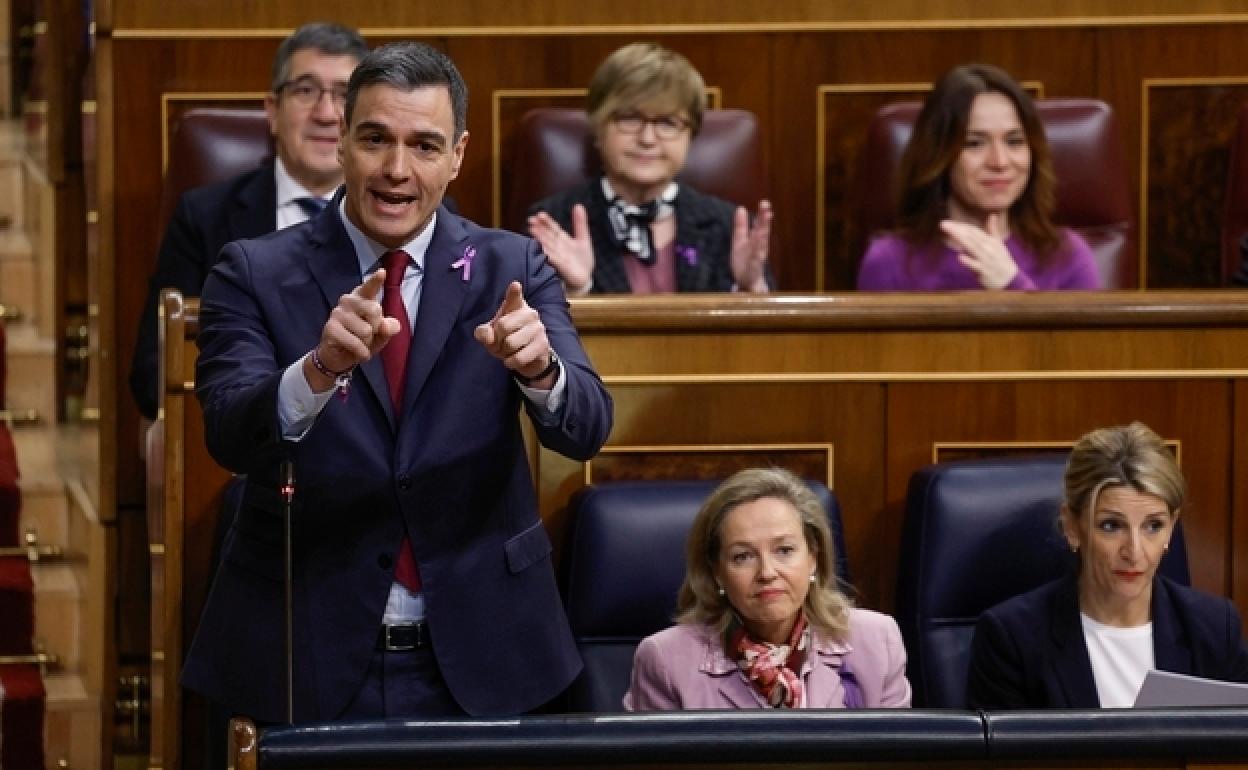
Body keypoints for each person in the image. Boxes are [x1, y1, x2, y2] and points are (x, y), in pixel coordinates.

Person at [181, 41, 614, 723]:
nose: (396, 170)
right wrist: (318, 369)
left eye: (425, 145)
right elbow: (230, 434)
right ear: (343, 142)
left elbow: (586, 427)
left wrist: (541, 369)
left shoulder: (512, 266)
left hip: (487, 650)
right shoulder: (252, 271)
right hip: (304, 649)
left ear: (458, 155)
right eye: (375, 139)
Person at [129, 22, 368, 420]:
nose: (326, 114)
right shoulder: (204, 217)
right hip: (251, 435)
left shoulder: (410, 216)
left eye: (344, 95)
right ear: (272, 111)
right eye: (305, 91)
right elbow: (152, 370)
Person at [966, 422, 1248, 708]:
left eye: (1153, 526)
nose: (1134, 551)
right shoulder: (1013, 638)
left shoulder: (1214, 629)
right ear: (1072, 527)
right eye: (1111, 526)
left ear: (1172, 527)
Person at [624, 468, 911, 710]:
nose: (767, 573)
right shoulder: (666, 661)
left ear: (813, 557)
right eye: (743, 556)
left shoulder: (877, 641)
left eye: (784, 550)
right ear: (717, 572)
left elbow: (897, 754)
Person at [527, 42, 772, 295]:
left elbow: (767, 320)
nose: (647, 139)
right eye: (629, 118)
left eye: (667, 122)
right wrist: (577, 291)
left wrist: (749, 290)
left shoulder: (729, 227)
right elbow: (527, 316)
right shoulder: (551, 224)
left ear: (691, 136)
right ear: (598, 128)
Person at [857, 63, 1101, 291]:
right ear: (939, 154)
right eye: (974, 143)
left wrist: (1011, 284)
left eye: (1014, 141)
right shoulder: (889, 262)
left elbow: (1079, 328)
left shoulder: (1068, 255)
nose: (999, 162)